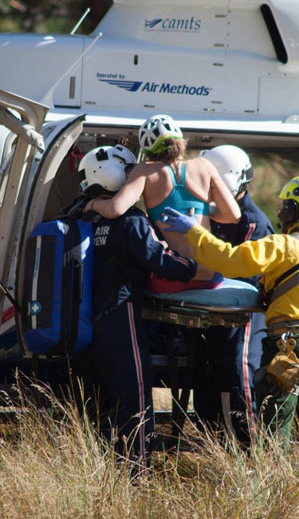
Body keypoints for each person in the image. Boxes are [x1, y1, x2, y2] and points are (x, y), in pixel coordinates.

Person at [159, 174, 299, 459]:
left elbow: (230, 261)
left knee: (275, 426)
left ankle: (270, 487)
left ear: (295, 209)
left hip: (292, 349)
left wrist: (193, 231)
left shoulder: (282, 245)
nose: (280, 211)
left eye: (285, 206)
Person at [72, 144, 198, 472]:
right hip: (120, 319)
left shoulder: (79, 215)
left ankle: (94, 469)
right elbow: (160, 259)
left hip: (83, 326)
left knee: (96, 404)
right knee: (135, 396)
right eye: (129, 174)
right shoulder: (130, 220)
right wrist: (191, 264)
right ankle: (135, 473)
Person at [85, 114, 240, 293]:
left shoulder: (145, 170)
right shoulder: (204, 165)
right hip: (211, 277)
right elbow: (234, 216)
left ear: (148, 149)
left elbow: (115, 209)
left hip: (176, 279)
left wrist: (93, 204)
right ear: (180, 140)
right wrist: (203, 212)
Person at [192, 145, 273, 445]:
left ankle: (250, 445)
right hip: (213, 311)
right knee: (208, 374)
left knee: (240, 371)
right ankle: (214, 442)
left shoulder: (253, 223)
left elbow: (248, 274)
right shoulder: (209, 213)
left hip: (245, 312)